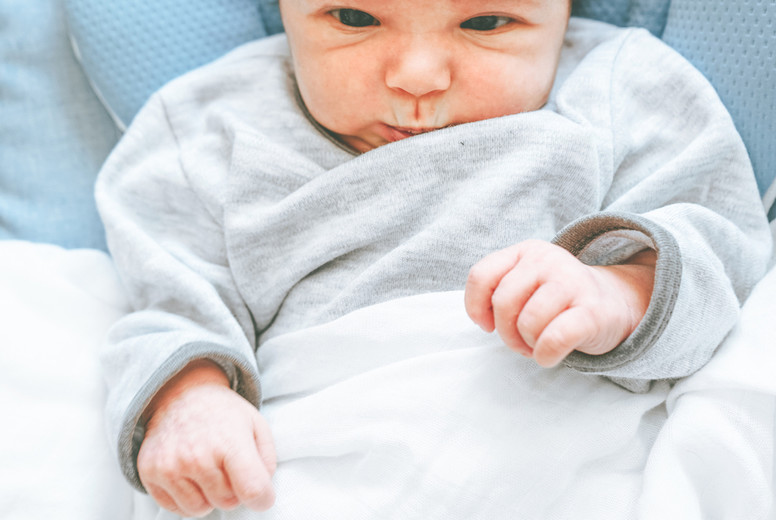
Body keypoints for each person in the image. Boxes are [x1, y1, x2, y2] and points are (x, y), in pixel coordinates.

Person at [95, 0, 772, 517]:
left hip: (565, 463)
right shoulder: (208, 127)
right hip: (313, 458)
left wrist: (620, 289)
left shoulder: (625, 88)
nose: (416, 77)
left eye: (486, 22)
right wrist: (189, 397)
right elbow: (170, 300)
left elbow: (725, 254)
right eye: (354, 17)